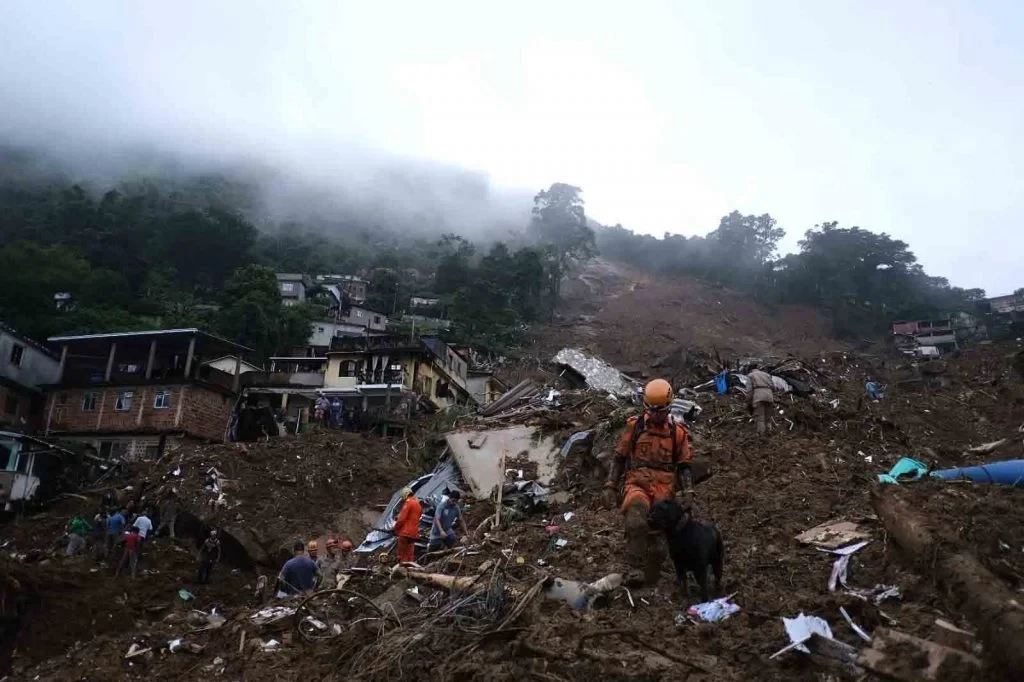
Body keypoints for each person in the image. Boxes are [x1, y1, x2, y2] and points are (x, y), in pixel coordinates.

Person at [602, 378, 694, 585]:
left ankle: (652, 577)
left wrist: (688, 493)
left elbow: (684, 466)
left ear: (668, 408)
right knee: (635, 520)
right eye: (650, 410)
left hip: (664, 489)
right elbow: (619, 458)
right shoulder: (635, 427)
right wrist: (610, 485)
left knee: (658, 547)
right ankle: (634, 569)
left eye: (659, 411)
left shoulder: (678, 434)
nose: (654, 414)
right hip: (638, 484)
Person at [394, 488, 423, 564]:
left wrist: (395, 528)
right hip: (413, 533)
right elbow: (416, 517)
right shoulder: (418, 505)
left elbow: (401, 519)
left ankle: (401, 570)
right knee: (410, 554)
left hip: (405, 532)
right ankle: (409, 569)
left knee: (402, 554)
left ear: (405, 495)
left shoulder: (408, 503)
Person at [747, 366, 775, 436]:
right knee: (768, 417)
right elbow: (773, 387)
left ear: (750, 370)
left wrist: (748, 402)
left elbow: (749, 391)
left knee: (760, 418)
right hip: (769, 397)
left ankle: (761, 435)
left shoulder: (750, 375)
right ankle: (769, 432)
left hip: (758, 397)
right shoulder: (767, 375)